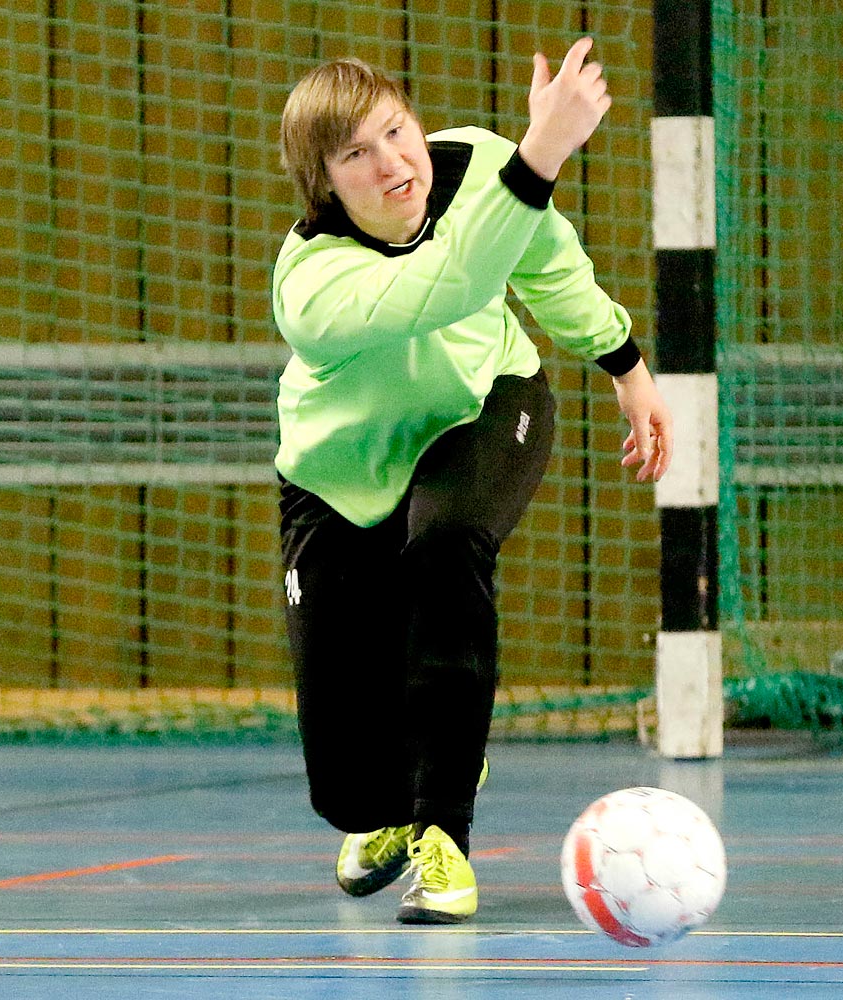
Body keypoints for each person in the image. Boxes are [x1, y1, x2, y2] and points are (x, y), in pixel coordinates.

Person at [273, 37, 673, 924]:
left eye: (396, 130)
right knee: (347, 790)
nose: (393, 162)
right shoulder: (310, 281)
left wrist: (627, 365)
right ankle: (392, 795)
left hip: (487, 403)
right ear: (325, 183)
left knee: (449, 541)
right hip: (341, 476)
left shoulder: (482, 169)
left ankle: (445, 836)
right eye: (356, 155)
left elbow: (545, 265)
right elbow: (444, 285)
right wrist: (543, 155)